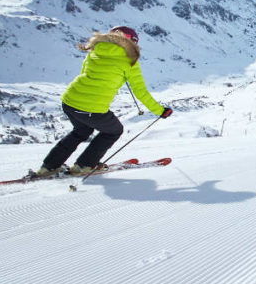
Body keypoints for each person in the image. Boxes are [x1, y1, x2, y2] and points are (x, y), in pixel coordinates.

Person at [35, 26, 171, 177]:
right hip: (92, 109)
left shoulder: (96, 50)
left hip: (70, 101)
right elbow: (141, 92)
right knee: (114, 131)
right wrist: (161, 111)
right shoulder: (130, 61)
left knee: (81, 131)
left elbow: (84, 74)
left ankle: (48, 167)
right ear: (132, 42)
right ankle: (84, 165)